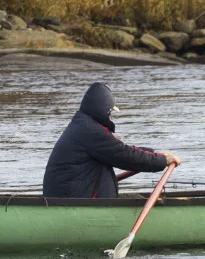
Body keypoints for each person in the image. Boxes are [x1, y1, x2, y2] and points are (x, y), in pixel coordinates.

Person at [42, 81, 179, 198]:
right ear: (104, 110)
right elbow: (124, 156)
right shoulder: (91, 131)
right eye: (111, 112)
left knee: (132, 196)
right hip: (73, 201)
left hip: (71, 195)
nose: (111, 116)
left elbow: (119, 150)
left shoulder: (83, 125)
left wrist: (153, 154)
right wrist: (162, 160)